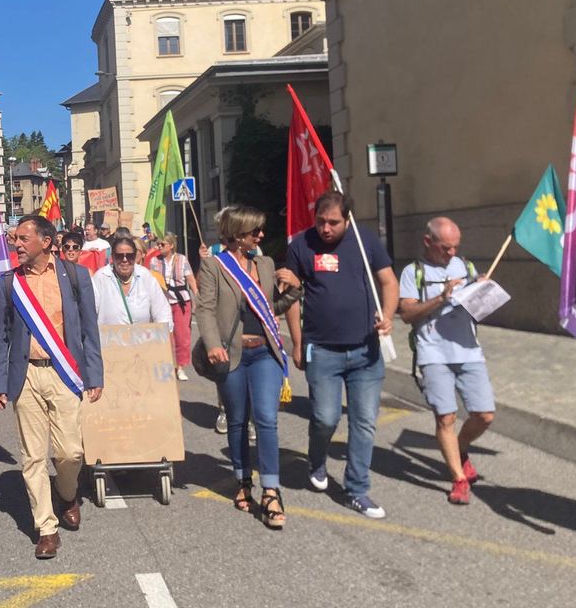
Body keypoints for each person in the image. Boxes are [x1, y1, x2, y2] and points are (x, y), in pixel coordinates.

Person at [0, 215, 104, 560]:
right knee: (32, 457)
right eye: (15, 239)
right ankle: (47, 528)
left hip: (64, 373)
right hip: (25, 377)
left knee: (71, 452)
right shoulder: (9, 283)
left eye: (24, 238)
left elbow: (88, 329)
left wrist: (95, 374)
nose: (17, 244)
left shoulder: (75, 276)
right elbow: (1, 336)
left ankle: (66, 493)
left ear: (46, 240)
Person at [287, 191, 398, 519]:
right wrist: (296, 341)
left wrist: (388, 315)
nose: (325, 228)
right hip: (322, 351)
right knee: (325, 417)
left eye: (333, 222)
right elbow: (290, 296)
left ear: (347, 219)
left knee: (364, 423)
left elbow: (388, 282)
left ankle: (357, 489)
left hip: (366, 351)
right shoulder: (301, 246)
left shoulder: (365, 242)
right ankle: (316, 459)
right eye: (320, 221)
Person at [195, 206, 303, 529]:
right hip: (232, 355)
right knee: (238, 421)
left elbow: (270, 308)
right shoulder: (214, 266)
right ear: (238, 234)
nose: (260, 236)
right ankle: (243, 480)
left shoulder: (266, 264)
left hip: (265, 353)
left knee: (267, 420)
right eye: (255, 232)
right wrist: (212, 343)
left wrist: (296, 289)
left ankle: (271, 491)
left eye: (260, 231)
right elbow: (205, 309)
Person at [397, 217, 494, 505]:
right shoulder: (412, 272)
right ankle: (458, 480)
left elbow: (480, 310)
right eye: (445, 248)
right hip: (433, 353)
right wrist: (442, 297)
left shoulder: (465, 267)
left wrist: (484, 291)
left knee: (484, 415)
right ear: (428, 242)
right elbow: (407, 314)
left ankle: (460, 448)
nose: (451, 253)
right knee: (446, 417)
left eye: (455, 247)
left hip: (468, 351)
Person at [92, 236, 171, 328]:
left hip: (142, 340)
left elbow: (162, 313)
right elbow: (89, 314)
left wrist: (166, 337)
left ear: (134, 256)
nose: (125, 260)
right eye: (119, 256)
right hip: (108, 341)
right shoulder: (101, 277)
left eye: (129, 256)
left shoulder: (145, 276)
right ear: (112, 256)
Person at [151, 233, 199, 381]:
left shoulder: (182, 260)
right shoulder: (154, 261)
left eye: (162, 244)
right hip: (163, 303)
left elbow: (190, 279)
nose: (159, 247)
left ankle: (181, 367)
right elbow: (153, 280)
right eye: (158, 244)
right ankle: (168, 365)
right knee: (166, 336)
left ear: (171, 245)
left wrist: (197, 297)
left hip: (181, 302)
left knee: (182, 335)